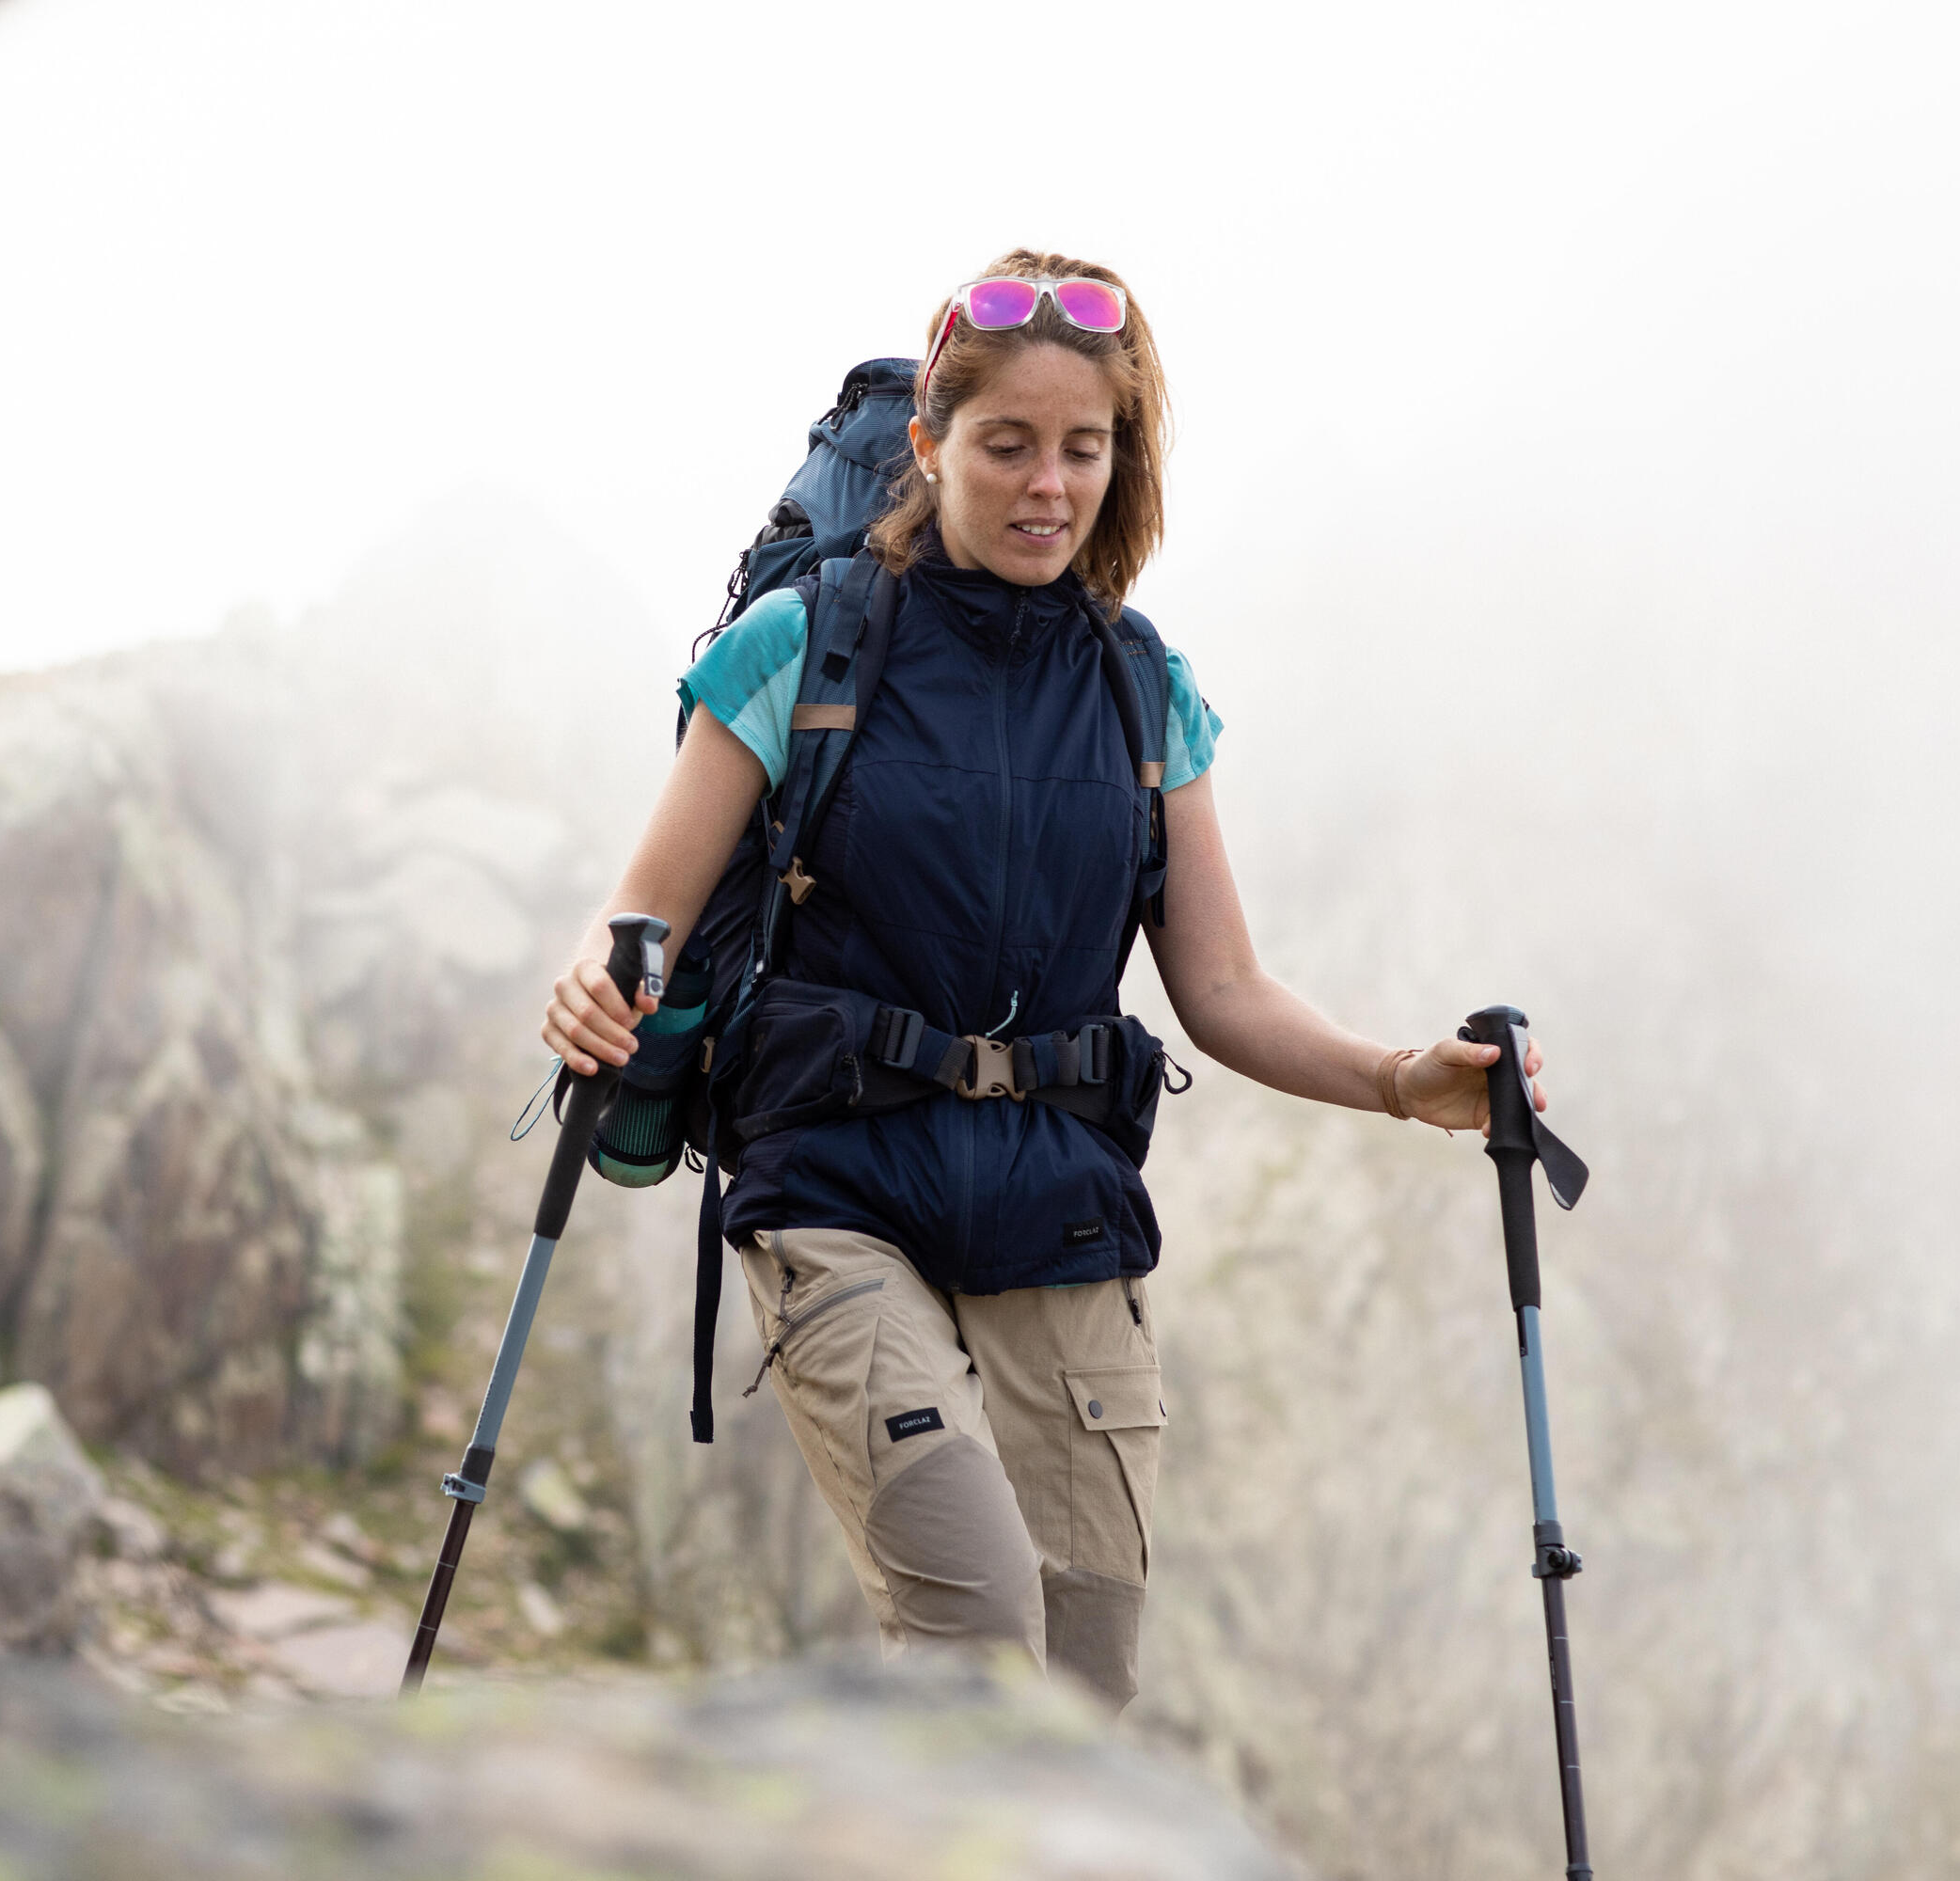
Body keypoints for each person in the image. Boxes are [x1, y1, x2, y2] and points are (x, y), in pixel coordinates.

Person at [540, 248, 1549, 1716]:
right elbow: (638, 916)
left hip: (1061, 1210)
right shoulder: (801, 645)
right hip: (833, 1186)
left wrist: (1404, 1082)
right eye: (1007, 444)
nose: (1046, 486)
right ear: (932, 445)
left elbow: (1223, 990)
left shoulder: (1145, 689)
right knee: (976, 1643)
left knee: (1081, 1697)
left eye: (1083, 450)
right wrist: (586, 981)